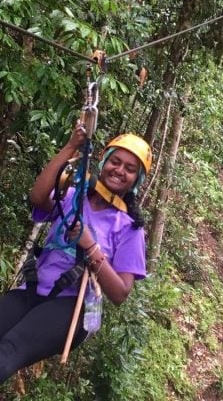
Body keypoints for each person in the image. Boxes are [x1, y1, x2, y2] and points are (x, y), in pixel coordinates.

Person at [0, 122, 152, 383]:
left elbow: (120, 292)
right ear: (103, 162)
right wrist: (71, 146)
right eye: (115, 162)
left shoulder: (129, 229)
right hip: (34, 289)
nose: (119, 170)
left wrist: (90, 246)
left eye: (130, 169)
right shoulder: (73, 197)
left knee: (8, 351)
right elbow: (38, 198)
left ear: (135, 180)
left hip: (72, 306)